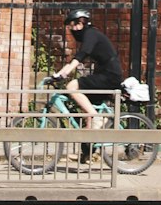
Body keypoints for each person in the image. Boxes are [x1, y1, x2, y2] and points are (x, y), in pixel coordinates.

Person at [52, 8, 124, 149]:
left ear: (82, 22)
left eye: (73, 25)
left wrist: (63, 74)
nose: (72, 29)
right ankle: (87, 152)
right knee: (88, 113)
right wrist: (60, 73)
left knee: (72, 87)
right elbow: (77, 58)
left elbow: (80, 56)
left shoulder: (91, 34)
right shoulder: (90, 35)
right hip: (105, 74)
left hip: (109, 76)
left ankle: (96, 117)